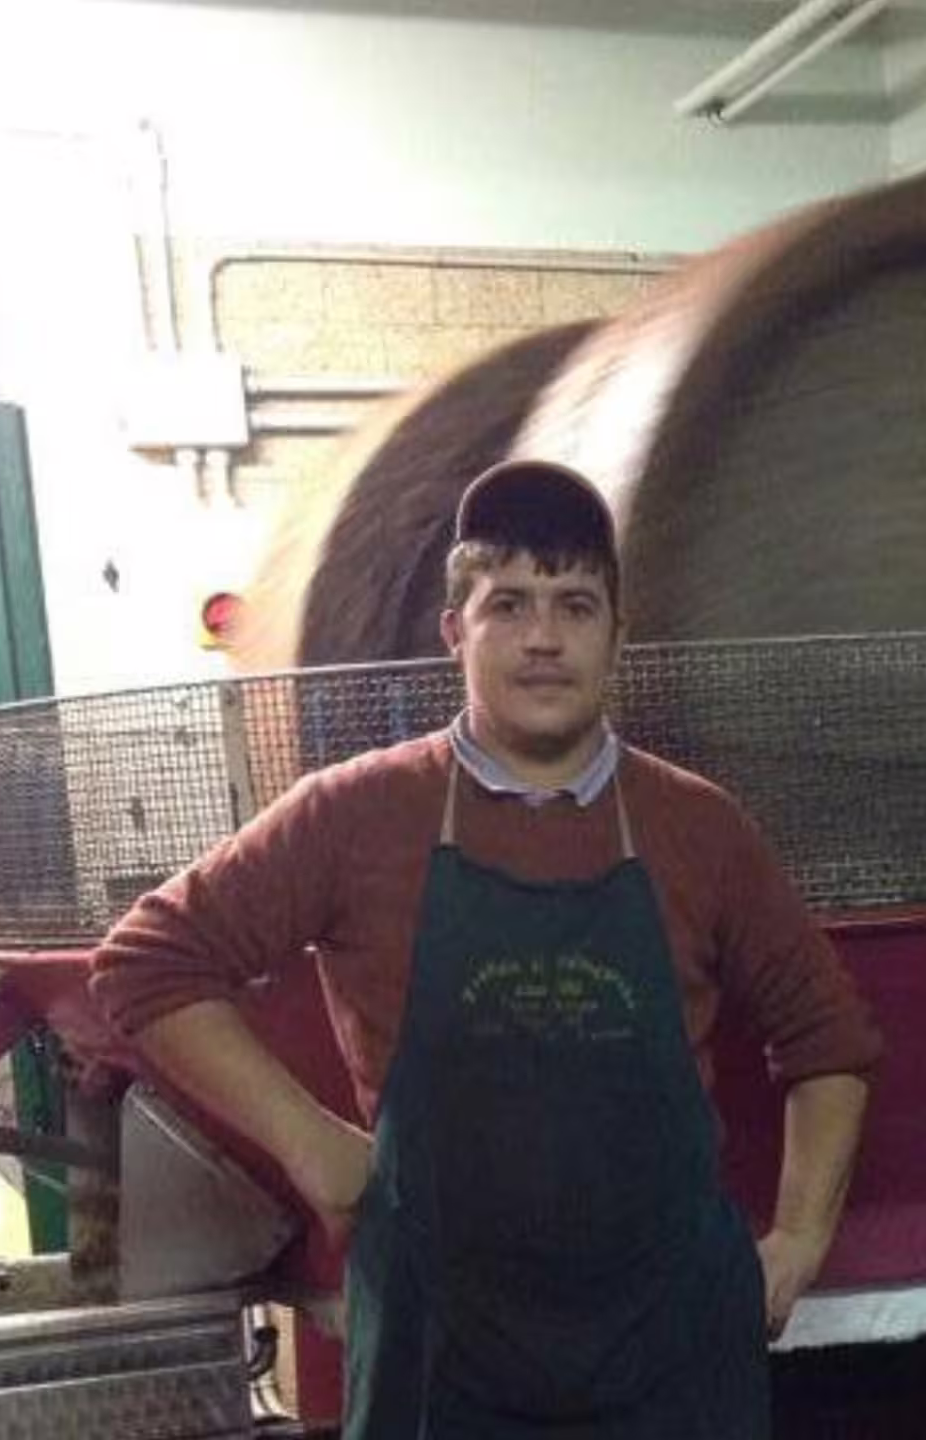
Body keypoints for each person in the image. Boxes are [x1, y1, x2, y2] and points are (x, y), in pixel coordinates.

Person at [92, 458, 880, 1438]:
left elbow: (830, 1041)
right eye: (508, 603)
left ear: (618, 638)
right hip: (441, 1352)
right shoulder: (357, 816)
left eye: (576, 605)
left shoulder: (698, 827)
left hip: (671, 1355)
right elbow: (147, 964)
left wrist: (801, 1236)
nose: (544, 638)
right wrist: (309, 1144)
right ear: (454, 629)